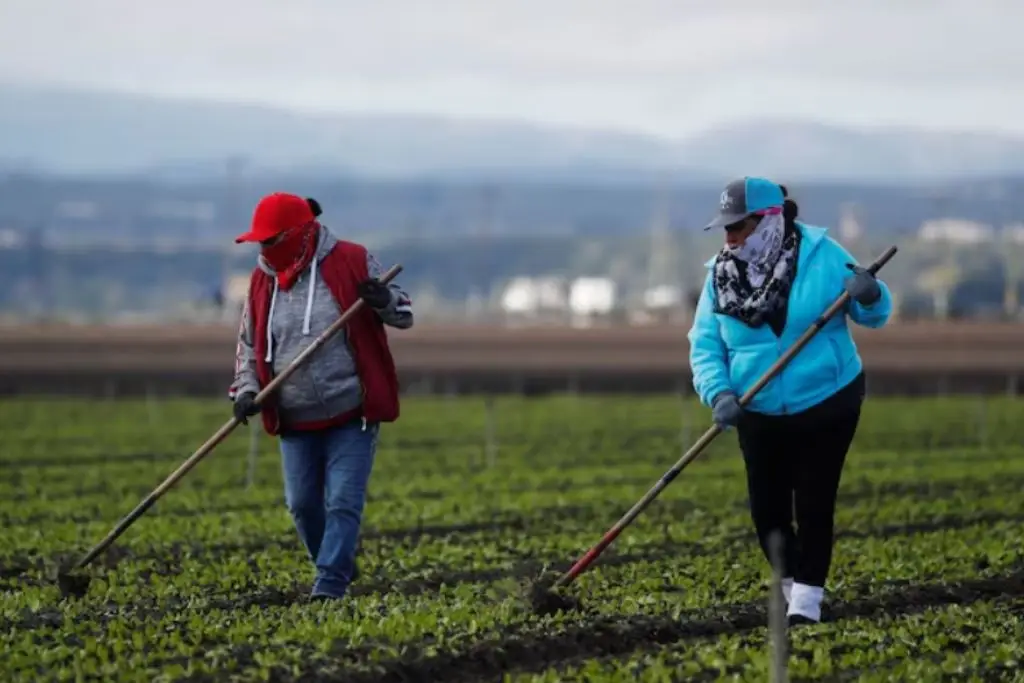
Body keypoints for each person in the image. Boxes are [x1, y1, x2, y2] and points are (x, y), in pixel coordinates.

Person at [687, 177, 893, 625]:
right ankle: (790, 585)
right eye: (725, 229)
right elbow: (704, 345)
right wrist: (718, 392)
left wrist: (871, 293)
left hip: (828, 398)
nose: (730, 238)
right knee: (767, 510)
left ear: (769, 220)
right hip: (756, 406)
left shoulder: (823, 256)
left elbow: (873, 314)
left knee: (815, 499)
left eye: (738, 227)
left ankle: (807, 603)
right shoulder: (719, 276)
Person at [228, 191, 413, 602]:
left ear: (298, 233)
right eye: (259, 241)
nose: (264, 248)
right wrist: (246, 390)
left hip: (352, 410)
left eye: (271, 239)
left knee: (343, 502)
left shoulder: (352, 259)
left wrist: (382, 301)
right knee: (302, 507)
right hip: (294, 416)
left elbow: (404, 312)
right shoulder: (261, 281)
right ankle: (337, 564)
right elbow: (249, 346)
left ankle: (329, 585)